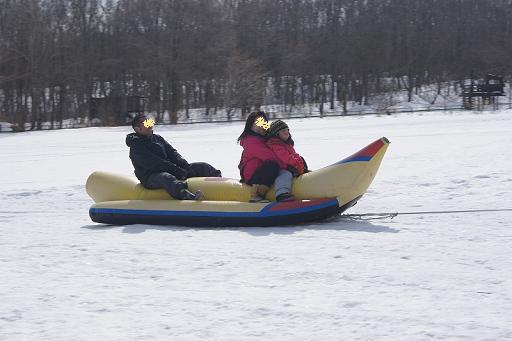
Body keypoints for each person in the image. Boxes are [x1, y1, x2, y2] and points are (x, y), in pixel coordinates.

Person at [126, 113, 222, 200]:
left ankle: (223, 186)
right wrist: (177, 171)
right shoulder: (136, 147)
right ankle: (187, 197)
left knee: (203, 166)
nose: (150, 125)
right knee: (166, 178)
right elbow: (156, 164)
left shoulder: (157, 138)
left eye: (150, 122)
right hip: (150, 177)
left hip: (171, 169)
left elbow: (172, 153)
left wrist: (184, 165)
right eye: (146, 124)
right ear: (138, 129)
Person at [237, 111, 280, 202]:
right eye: (257, 123)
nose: (261, 125)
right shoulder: (251, 141)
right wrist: (288, 166)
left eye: (263, 122)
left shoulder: (266, 138)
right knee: (272, 165)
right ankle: (257, 194)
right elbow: (270, 157)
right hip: (253, 175)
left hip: (261, 171)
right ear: (251, 126)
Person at [266, 119, 308, 202]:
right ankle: (282, 193)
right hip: (281, 167)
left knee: (301, 160)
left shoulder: (287, 143)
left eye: (287, 130)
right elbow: (286, 158)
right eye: (283, 131)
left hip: (289, 166)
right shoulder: (275, 144)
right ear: (276, 134)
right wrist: (296, 164)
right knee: (285, 174)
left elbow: (294, 155)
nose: (286, 132)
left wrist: (300, 165)